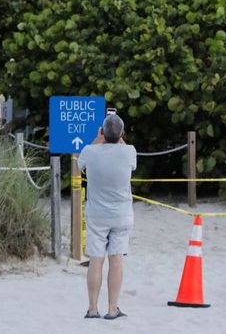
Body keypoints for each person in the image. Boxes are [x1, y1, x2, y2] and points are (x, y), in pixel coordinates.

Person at [77, 114, 137, 320]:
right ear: (121, 134)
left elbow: (79, 165)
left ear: (102, 132)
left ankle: (93, 309)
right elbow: (127, 153)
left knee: (96, 260)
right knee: (116, 259)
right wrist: (116, 136)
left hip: (96, 214)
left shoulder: (89, 151)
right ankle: (113, 309)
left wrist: (98, 138)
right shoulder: (129, 152)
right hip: (121, 214)